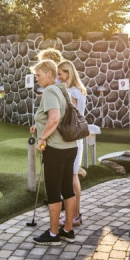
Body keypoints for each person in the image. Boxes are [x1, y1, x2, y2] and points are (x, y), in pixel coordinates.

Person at [30, 59, 78, 245]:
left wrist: (42, 138)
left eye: (39, 75)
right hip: (70, 147)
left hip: (55, 149)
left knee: (53, 191)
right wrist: (39, 126)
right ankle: (68, 230)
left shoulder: (49, 91)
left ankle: (53, 234)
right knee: (67, 188)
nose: (37, 79)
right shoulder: (63, 89)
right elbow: (58, 116)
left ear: (50, 73)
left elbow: (55, 118)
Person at [57, 60, 86, 227]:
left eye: (60, 74)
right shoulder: (79, 90)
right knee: (72, 176)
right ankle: (74, 214)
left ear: (68, 73)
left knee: (72, 177)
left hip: (72, 138)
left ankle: (75, 215)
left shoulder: (71, 92)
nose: (59, 77)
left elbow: (68, 116)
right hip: (76, 138)